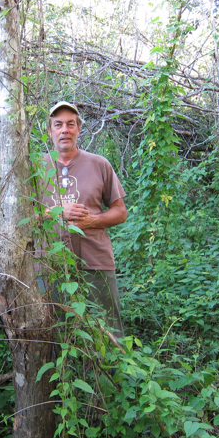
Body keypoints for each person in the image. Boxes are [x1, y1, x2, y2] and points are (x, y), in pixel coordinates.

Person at [37, 101, 128, 339]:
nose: (64, 130)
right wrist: (58, 213)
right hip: (49, 264)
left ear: (78, 129)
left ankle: (112, 373)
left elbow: (120, 211)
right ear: (50, 130)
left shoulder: (99, 164)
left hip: (94, 261)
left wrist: (91, 222)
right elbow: (23, 216)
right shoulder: (36, 167)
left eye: (70, 124)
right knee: (53, 335)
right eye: (58, 125)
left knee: (107, 332)